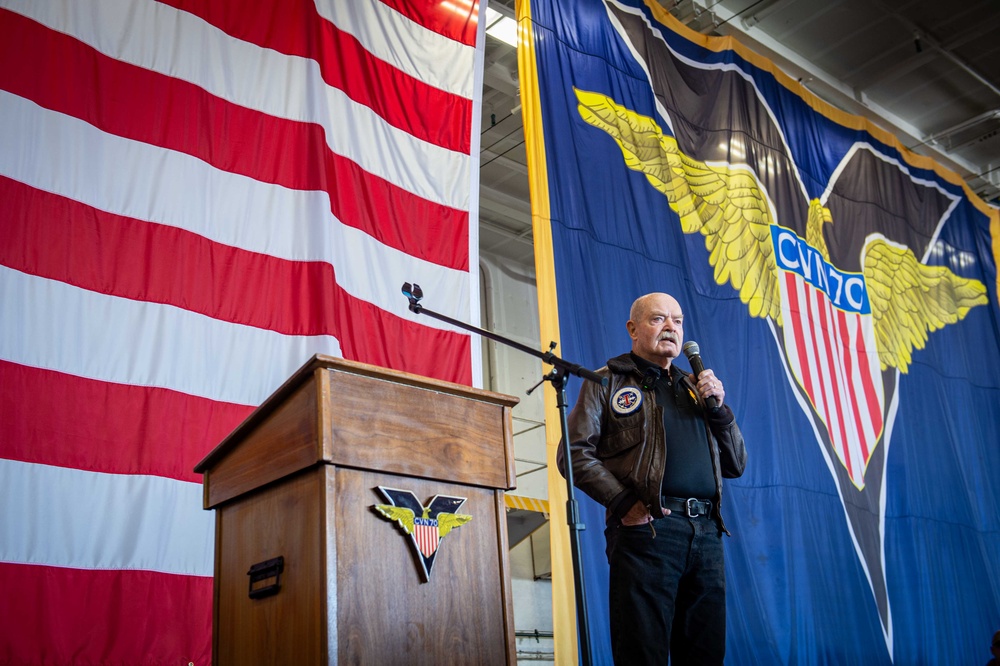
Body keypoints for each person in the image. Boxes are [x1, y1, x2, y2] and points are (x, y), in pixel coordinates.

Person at [559, 292, 747, 665]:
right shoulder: (605, 382)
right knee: (642, 652)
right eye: (658, 319)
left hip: (706, 534)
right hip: (649, 531)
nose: (671, 328)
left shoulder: (696, 388)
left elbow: (736, 463)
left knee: (705, 654)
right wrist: (623, 503)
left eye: (677, 321)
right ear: (633, 328)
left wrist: (720, 409)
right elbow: (574, 453)